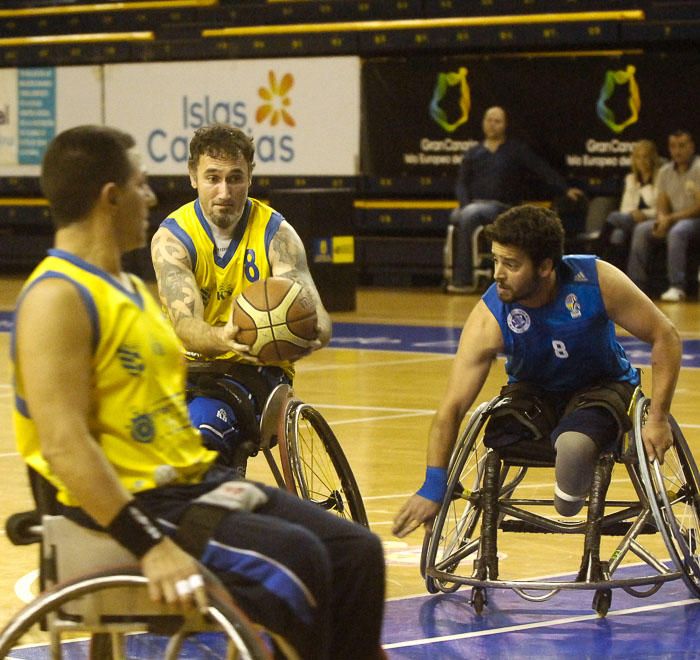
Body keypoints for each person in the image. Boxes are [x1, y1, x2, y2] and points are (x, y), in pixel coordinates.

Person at [12, 125, 386, 659]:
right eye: (141, 185)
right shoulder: (58, 299)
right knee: (297, 564)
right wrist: (153, 546)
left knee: (357, 551)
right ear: (110, 197)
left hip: (189, 482)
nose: (150, 197)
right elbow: (64, 445)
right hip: (141, 503)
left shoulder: (129, 291)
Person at [394, 204, 681, 539]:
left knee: (573, 447)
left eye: (511, 264)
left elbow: (666, 336)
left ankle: (570, 494)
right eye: (495, 261)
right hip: (534, 393)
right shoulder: (491, 316)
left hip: (603, 386)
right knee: (499, 432)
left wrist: (658, 417)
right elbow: (452, 407)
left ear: (545, 267)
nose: (498, 273)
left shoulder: (595, 281)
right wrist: (433, 484)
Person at [150, 123, 332, 470]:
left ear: (250, 176)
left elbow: (317, 311)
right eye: (213, 177)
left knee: (205, 428)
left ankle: (217, 513)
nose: (224, 191)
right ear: (193, 176)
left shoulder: (277, 234)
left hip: (257, 368)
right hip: (183, 367)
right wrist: (225, 337)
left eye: (235, 178)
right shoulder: (172, 239)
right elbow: (186, 324)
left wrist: (313, 332)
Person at [446, 106, 583, 293]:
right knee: (457, 216)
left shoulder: (515, 150)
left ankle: (463, 281)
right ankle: (456, 271)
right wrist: (464, 204)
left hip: (501, 207)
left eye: (497, 121)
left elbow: (541, 169)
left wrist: (565, 189)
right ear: (483, 123)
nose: (492, 125)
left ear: (505, 125)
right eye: (489, 120)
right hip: (472, 206)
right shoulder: (473, 153)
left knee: (468, 216)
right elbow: (461, 183)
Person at [627, 130, 700, 302]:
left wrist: (670, 219)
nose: (677, 151)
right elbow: (662, 200)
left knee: (678, 231)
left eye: (682, 146)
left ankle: (677, 286)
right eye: (673, 146)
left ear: (691, 147)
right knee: (642, 229)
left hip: (694, 220)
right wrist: (661, 219)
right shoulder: (665, 171)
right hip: (672, 218)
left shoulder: (698, 168)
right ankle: (635, 286)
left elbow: (699, 206)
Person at [597, 139, 661, 270]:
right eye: (638, 157)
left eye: (645, 157)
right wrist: (633, 213)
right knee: (617, 233)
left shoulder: (660, 177)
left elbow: (661, 208)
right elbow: (625, 208)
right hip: (630, 220)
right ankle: (613, 276)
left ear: (652, 158)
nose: (642, 161)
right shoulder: (631, 178)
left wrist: (644, 213)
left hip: (651, 220)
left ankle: (595, 254)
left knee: (614, 220)